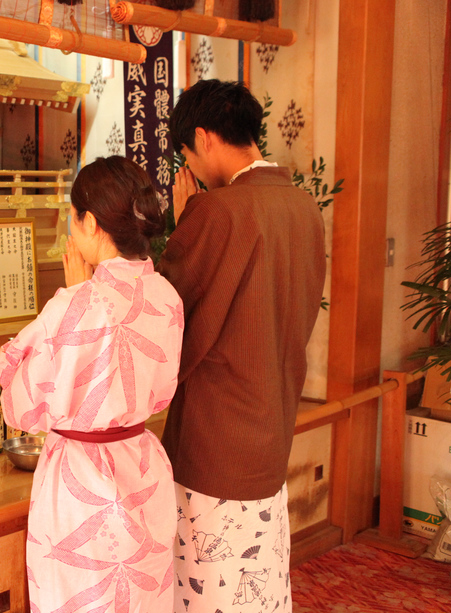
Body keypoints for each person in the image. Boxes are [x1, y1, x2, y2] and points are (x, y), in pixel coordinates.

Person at [158, 79, 326, 612]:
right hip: (271, 426)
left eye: (187, 150)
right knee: (256, 585)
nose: (190, 162)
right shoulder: (303, 207)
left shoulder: (217, 212)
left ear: (205, 139)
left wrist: (187, 218)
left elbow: (167, 311)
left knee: (208, 591)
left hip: (217, 440)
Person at [0, 156, 183, 613]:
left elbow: (19, 405)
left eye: (72, 218)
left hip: (83, 484)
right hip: (144, 468)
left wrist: (72, 298)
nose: (71, 230)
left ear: (91, 222)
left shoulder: (75, 304)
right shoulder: (167, 295)